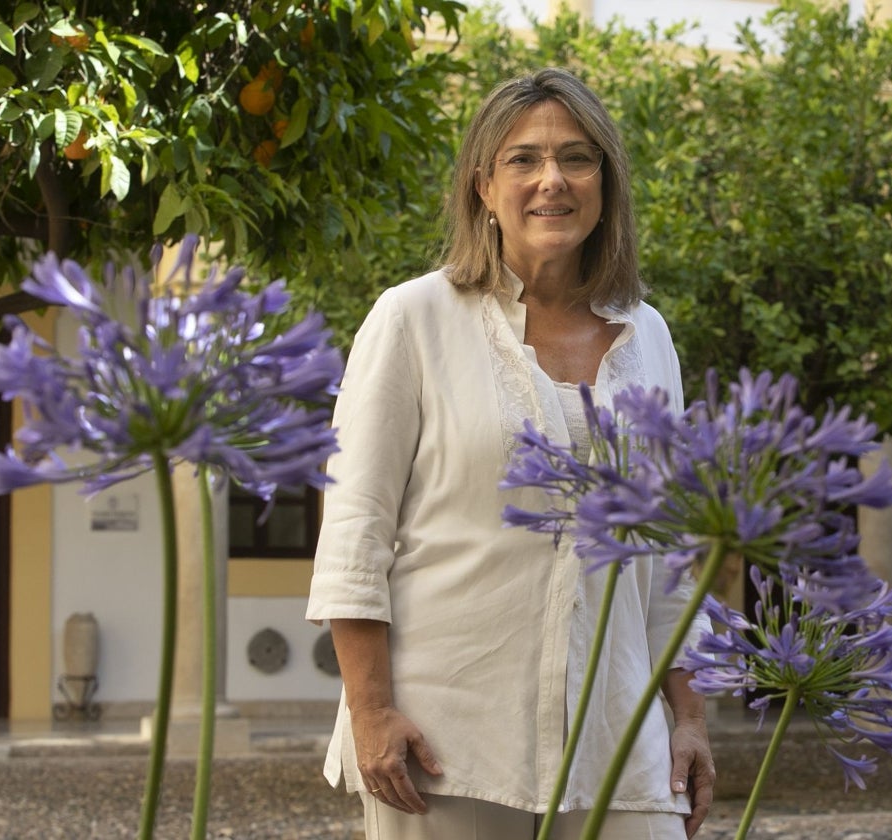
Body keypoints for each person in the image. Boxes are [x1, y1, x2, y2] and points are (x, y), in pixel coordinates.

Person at [306, 67, 715, 840]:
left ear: (607, 183)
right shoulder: (410, 319)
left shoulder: (649, 335)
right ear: (482, 187)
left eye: (577, 158)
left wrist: (686, 717)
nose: (552, 181)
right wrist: (371, 711)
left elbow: (670, 553)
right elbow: (355, 528)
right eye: (523, 159)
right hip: (445, 735)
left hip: (618, 733)